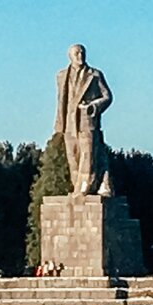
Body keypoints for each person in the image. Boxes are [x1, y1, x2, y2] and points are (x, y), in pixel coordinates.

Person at [54, 43, 114, 195]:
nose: (80, 56)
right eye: (77, 54)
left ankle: (85, 187)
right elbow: (62, 100)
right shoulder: (61, 76)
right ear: (70, 56)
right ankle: (77, 187)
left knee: (88, 156)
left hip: (87, 122)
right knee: (73, 158)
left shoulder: (95, 75)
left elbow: (107, 96)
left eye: (82, 53)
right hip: (69, 123)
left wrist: (94, 106)